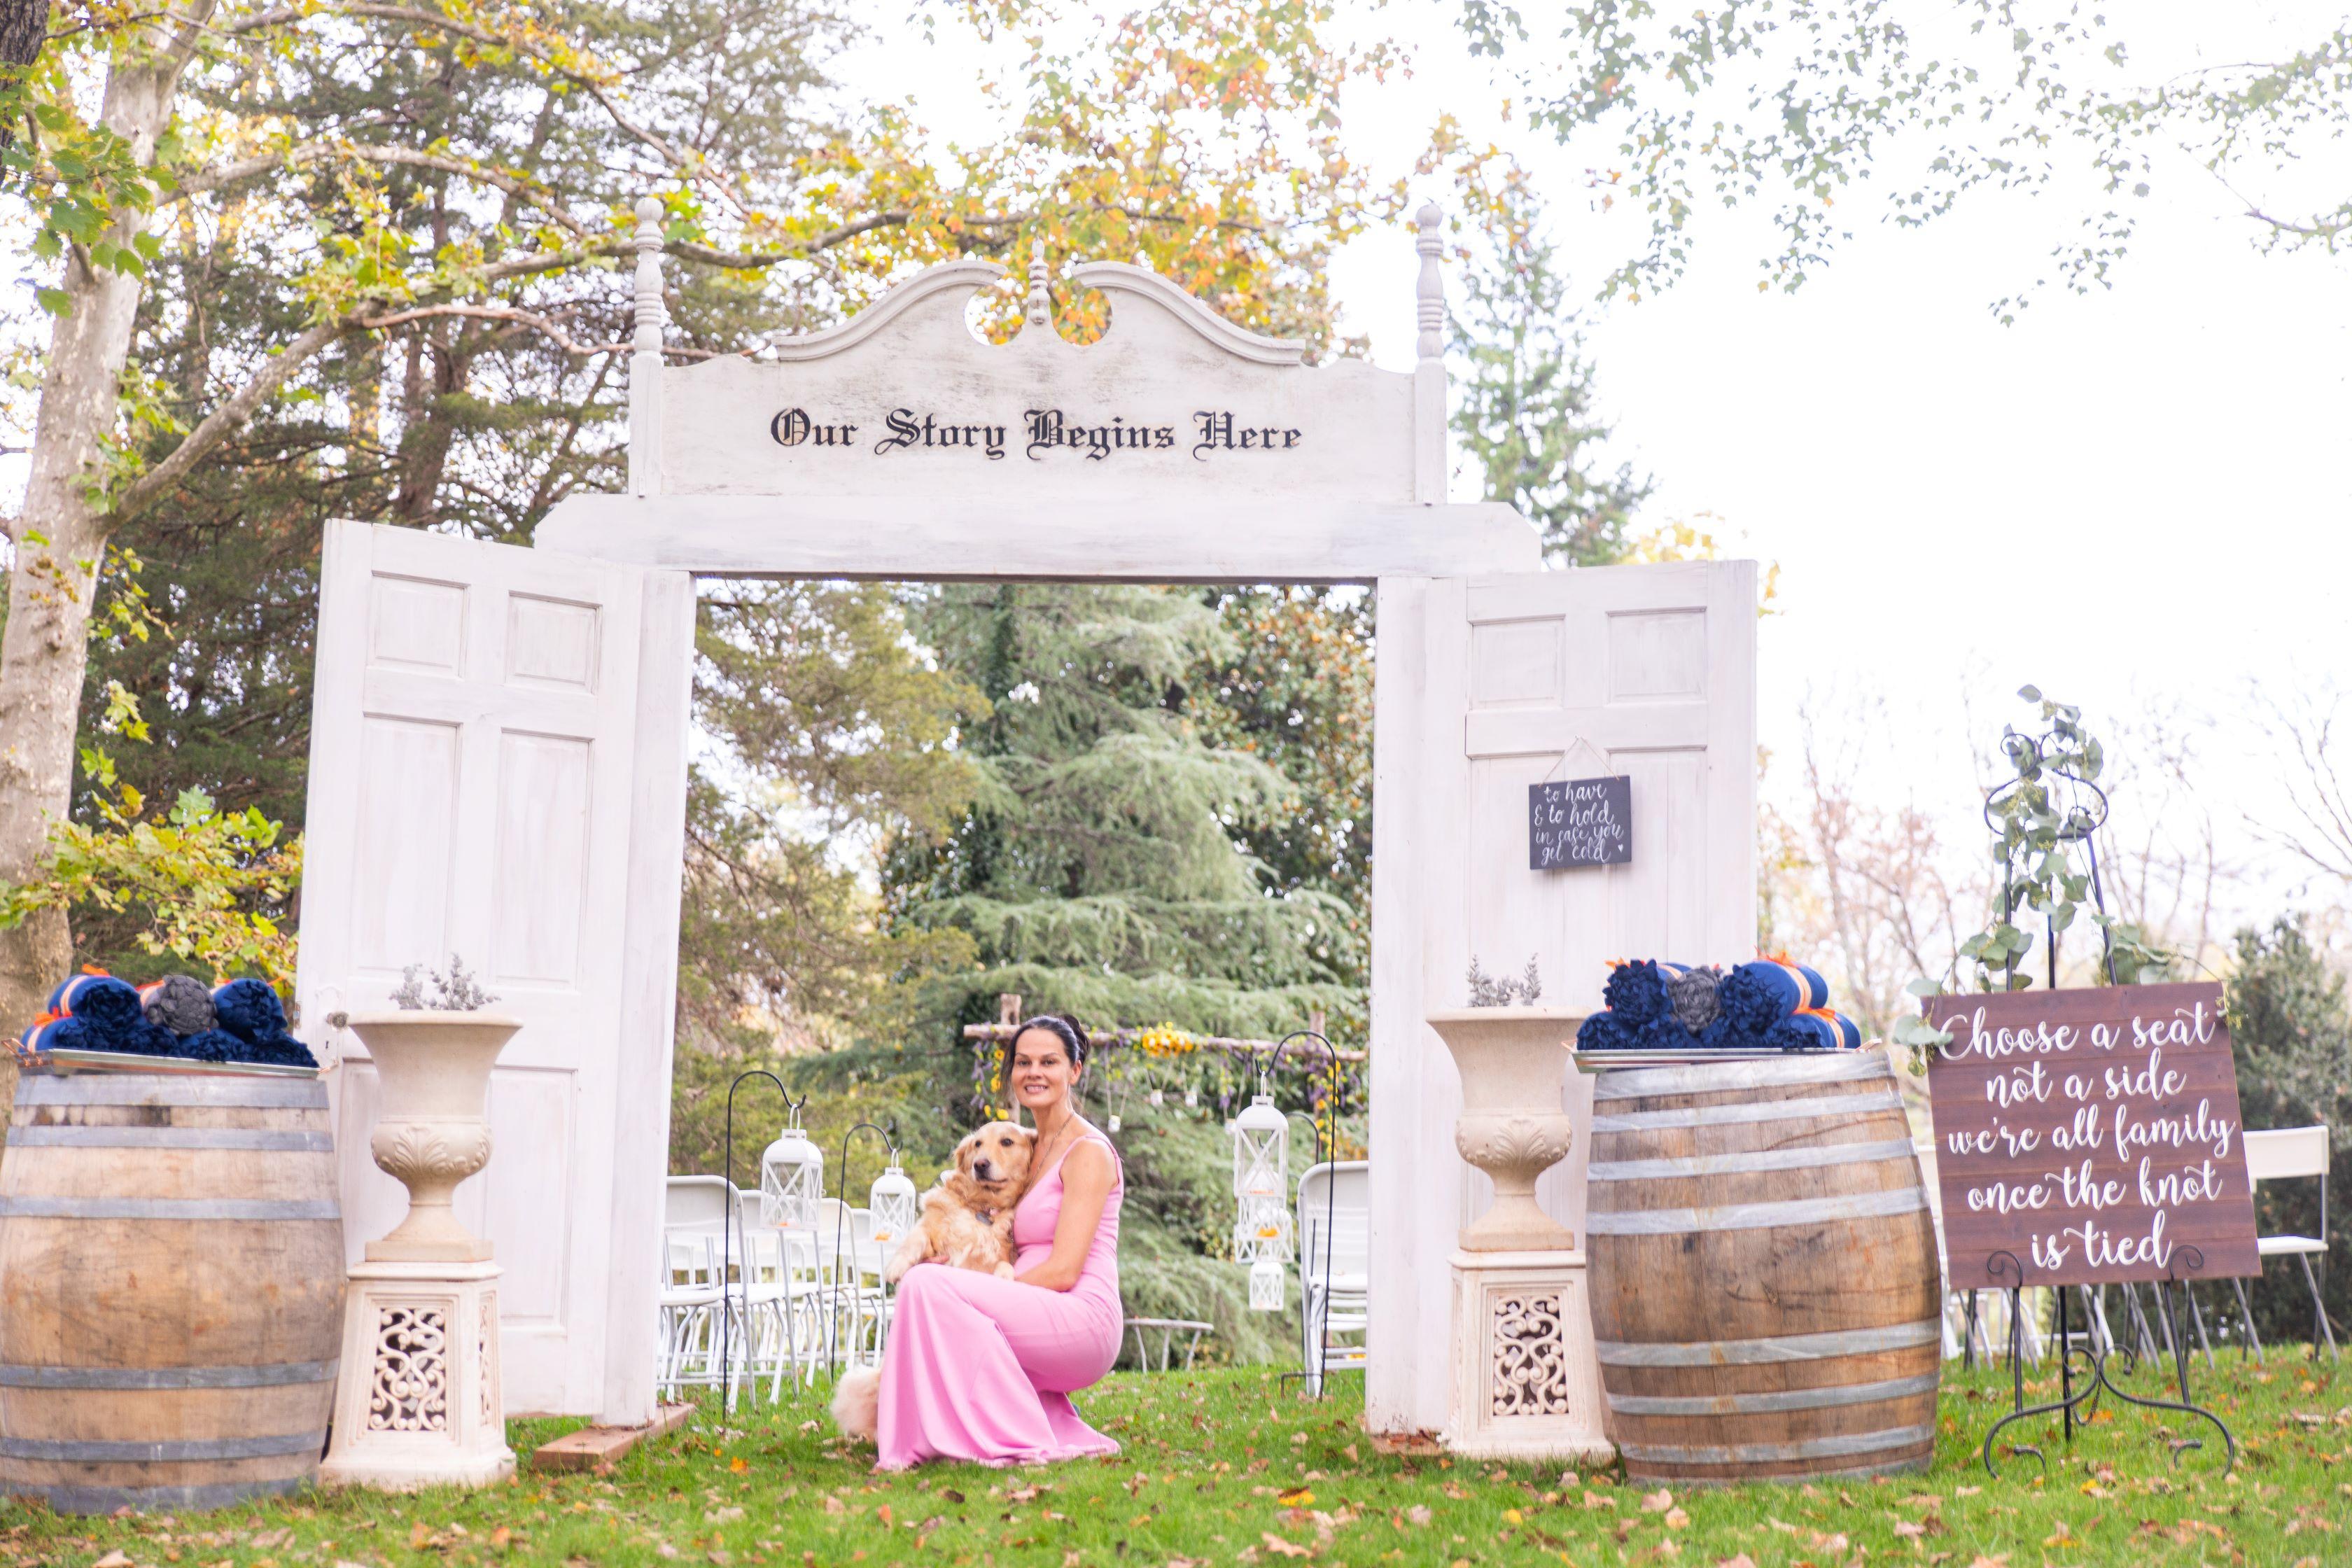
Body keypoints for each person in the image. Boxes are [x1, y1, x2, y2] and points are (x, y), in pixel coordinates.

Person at [869, 1014, 1125, 1469]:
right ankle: (923, 1432)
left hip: (1081, 1316)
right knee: (925, 1278)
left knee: (927, 1285)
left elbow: (1065, 1270)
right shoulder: (1029, 1149)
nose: (1034, 1072)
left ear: (1075, 1070)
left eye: (1049, 1062)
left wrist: (971, 1286)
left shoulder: (1088, 1151)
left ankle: (920, 1439)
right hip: (1034, 1302)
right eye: (1023, 1062)